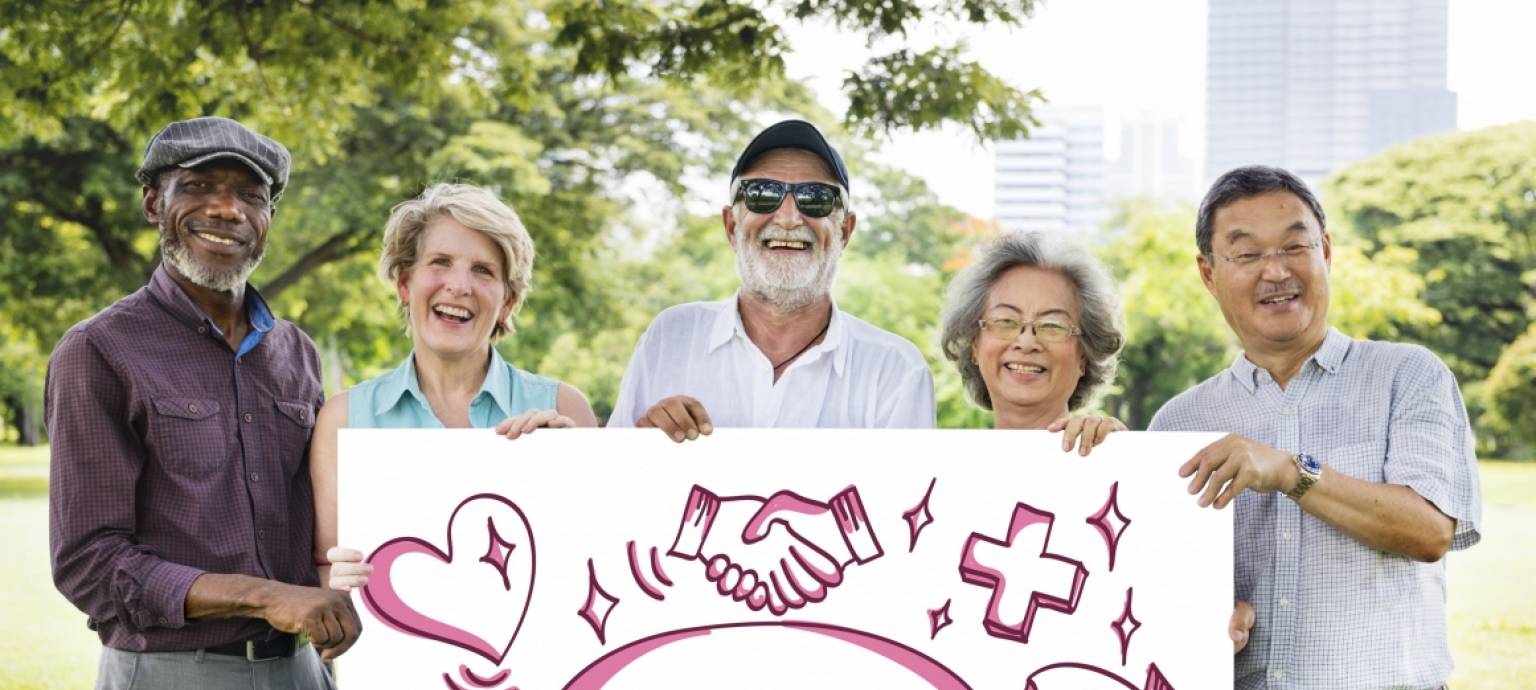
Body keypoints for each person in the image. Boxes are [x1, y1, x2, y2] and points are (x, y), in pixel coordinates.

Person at [46, 116, 358, 689]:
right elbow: (90, 563)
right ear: (151, 202)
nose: (226, 209)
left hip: (303, 671)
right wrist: (264, 598)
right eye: (197, 187)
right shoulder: (98, 350)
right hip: (171, 673)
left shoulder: (298, 354)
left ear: (267, 219)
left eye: (250, 195)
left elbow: (336, 513)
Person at [1151, 165, 1482, 689]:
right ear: (1209, 274)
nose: (1276, 271)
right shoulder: (1178, 423)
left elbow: (1430, 531)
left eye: (1293, 247)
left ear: (1325, 252)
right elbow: (1157, 583)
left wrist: (1289, 471)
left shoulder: (1408, 375)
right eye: (1247, 253)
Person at [313, 183, 598, 591]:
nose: (459, 285)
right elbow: (324, 567)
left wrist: (576, 473)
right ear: (405, 284)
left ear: (508, 302)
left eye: (483, 270)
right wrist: (336, 587)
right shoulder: (343, 419)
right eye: (440, 262)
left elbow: (594, 564)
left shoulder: (563, 407)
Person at [610, 119, 935, 440]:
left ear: (844, 232)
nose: (790, 218)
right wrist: (645, 446)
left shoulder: (895, 370)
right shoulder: (670, 338)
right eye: (762, 194)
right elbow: (616, 479)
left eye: (816, 198)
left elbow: (904, 491)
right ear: (732, 227)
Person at [938, 231, 1126, 451]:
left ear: (1084, 355)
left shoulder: (1107, 454)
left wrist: (1119, 450)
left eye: (1052, 326)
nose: (1026, 343)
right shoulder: (946, 464)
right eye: (1006, 321)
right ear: (974, 345)